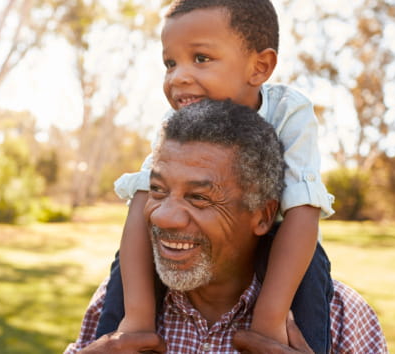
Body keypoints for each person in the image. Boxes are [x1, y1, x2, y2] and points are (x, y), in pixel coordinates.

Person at [97, 0, 336, 352]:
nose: (177, 76)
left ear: (260, 66)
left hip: (276, 240)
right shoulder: (173, 124)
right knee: (127, 258)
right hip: (196, 250)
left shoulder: (288, 111)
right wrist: (137, 315)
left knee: (312, 261)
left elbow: (303, 209)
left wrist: (269, 322)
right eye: (170, 63)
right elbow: (143, 200)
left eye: (201, 59)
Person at [65, 100, 387, 353]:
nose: (163, 217)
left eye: (199, 198)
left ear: (263, 216)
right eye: (158, 190)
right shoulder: (117, 303)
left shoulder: (342, 318)